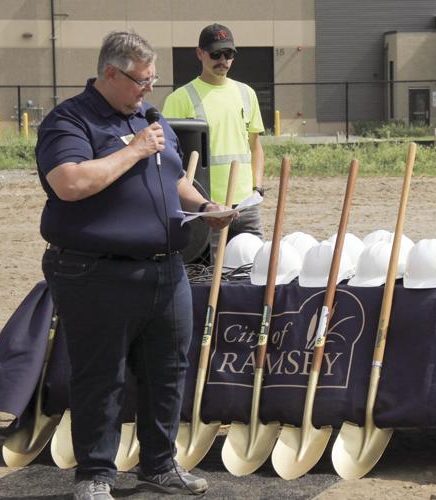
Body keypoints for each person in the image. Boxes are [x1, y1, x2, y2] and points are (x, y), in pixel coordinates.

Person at [36, 30, 233, 500]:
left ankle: (159, 465)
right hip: (96, 271)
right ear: (110, 73)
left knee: (168, 370)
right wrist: (134, 148)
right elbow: (69, 183)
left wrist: (205, 205)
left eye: (153, 80)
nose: (149, 90)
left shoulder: (147, 115)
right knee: (101, 376)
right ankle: (96, 475)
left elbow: (171, 178)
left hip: (166, 269)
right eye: (141, 81)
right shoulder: (70, 121)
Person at [163, 23, 265, 264]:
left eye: (228, 54)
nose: (223, 60)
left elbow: (255, 145)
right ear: (200, 53)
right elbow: (169, 156)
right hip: (208, 206)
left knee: (252, 269)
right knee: (211, 276)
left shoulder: (246, 93)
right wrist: (201, 204)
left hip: (247, 205)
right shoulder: (181, 98)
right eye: (216, 54)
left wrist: (257, 188)